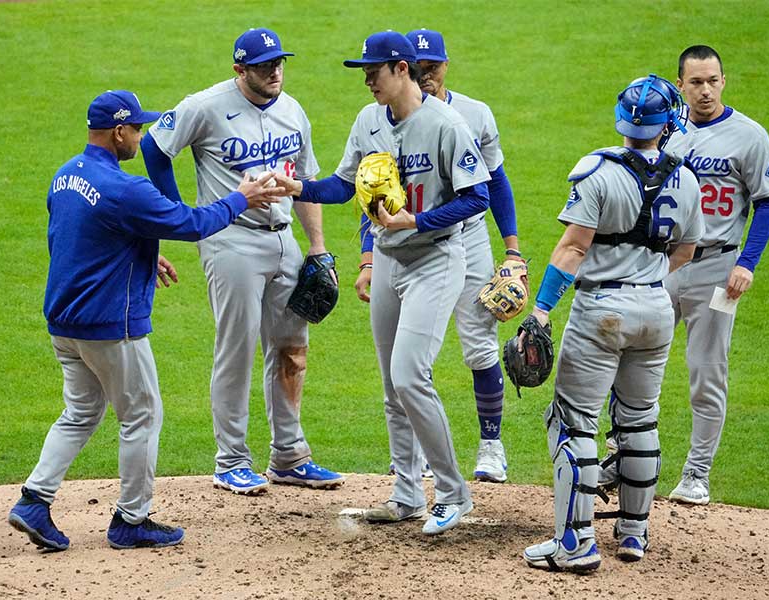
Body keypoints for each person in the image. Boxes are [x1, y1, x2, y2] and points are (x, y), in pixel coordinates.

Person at [7, 90, 284, 552]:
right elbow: (191, 225)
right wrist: (241, 197)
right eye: (136, 128)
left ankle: (35, 500)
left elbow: (76, 234)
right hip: (110, 325)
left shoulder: (66, 175)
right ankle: (131, 520)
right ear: (118, 132)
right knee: (142, 415)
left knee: (80, 413)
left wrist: (141, 256)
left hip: (65, 322)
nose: (140, 135)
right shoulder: (126, 189)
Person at [275, 31, 491, 535]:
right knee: (393, 385)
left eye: (374, 71)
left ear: (401, 69)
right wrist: (298, 187)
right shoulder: (368, 120)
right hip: (391, 260)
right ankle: (407, 494)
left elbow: (477, 196)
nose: (367, 80)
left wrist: (416, 220)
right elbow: (342, 186)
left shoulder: (446, 125)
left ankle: (454, 493)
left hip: (436, 259)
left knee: (410, 375)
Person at [141, 28, 344, 495]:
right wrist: (180, 215)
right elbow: (154, 146)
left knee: (292, 347)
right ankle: (230, 459)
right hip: (230, 241)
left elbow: (304, 182)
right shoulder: (206, 106)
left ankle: (289, 456)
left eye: (279, 63)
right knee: (237, 349)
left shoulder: (293, 111)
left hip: (284, 239)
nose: (275, 72)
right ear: (239, 70)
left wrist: (317, 245)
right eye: (264, 66)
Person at [520, 75, 703, 571]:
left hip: (601, 311)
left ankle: (575, 544)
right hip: (657, 310)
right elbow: (686, 251)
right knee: (639, 419)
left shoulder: (598, 172)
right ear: (667, 123)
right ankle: (634, 533)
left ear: (622, 120)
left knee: (574, 422)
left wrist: (541, 310)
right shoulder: (686, 179)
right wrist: (645, 278)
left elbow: (573, 249)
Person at [355, 28, 523, 483]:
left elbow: (495, 185)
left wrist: (513, 251)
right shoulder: (380, 118)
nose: (427, 75)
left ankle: (491, 446)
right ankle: (415, 457)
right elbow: (375, 195)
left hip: (466, 238)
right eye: (421, 67)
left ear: (446, 66)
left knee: (478, 342)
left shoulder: (471, 115)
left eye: (434, 67)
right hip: (404, 242)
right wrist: (369, 257)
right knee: (405, 363)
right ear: (407, 66)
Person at [661, 45, 769, 505]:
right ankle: (625, 457)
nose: (706, 90)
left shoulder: (749, 136)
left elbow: (767, 202)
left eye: (713, 81)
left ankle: (697, 473)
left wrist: (746, 263)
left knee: (707, 371)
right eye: (696, 82)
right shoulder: (665, 131)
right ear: (681, 85)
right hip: (663, 263)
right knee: (633, 360)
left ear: (723, 81)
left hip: (717, 268)